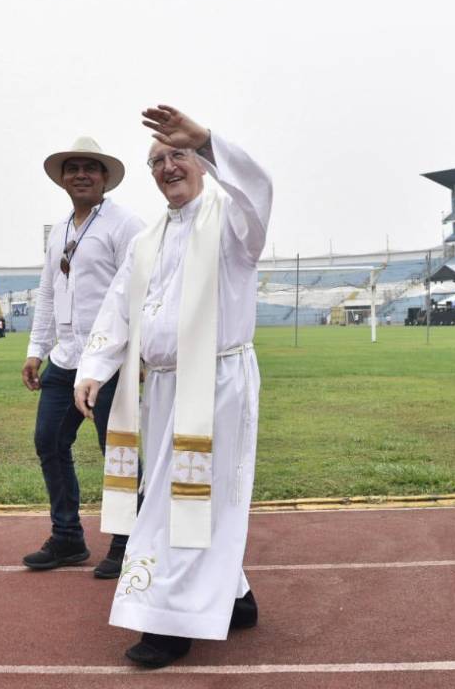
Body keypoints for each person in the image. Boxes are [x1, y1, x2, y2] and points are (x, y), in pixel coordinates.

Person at [74, 104, 272, 668]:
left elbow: (258, 192)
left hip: (215, 385)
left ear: (204, 163)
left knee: (174, 501)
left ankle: (169, 622)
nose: (167, 167)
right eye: (156, 161)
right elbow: (117, 305)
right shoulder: (148, 237)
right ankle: (235, 598)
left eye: (177, 155)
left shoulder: (231, 222)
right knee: (181, 497)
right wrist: (94, 368)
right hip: (161, 389)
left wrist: (207, 138)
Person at [22, 137, 145, 578]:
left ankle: (129, 541)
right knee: (49, 443)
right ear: (62, 178)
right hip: (65, 358)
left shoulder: (125, 225)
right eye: (72, 168)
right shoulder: (60, 231)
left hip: (110, 361)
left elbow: (143, 290)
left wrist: (140, 353)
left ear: (105, 177)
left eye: (90, 168)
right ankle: (68, 537)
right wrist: (37, 349)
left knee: (117, 451)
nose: (80, 174)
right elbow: (49, 293)